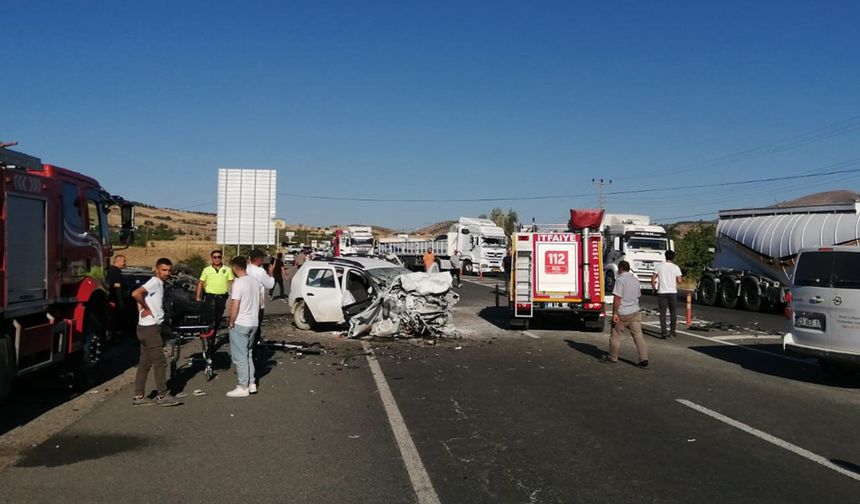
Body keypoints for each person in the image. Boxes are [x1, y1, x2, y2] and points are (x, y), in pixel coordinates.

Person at [131, 258, 181, 406]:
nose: (167, 273)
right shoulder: (154, 282)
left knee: (145, 363)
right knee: (160, 361)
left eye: (169, 270)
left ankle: (139, 396)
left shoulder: (158, 284)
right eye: (164, 270)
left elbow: (138, 297)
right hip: (150, 328)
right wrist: (146, 308)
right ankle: (162, 395)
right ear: (157, 269)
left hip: (147, 326)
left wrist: (141, 310)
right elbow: (136, 294)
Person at [225, 256, 261, 397]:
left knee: (240, 357)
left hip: (241, 322)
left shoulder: (238, 283)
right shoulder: (255, 281)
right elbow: (260, 301)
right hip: (253, 322)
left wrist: (231, 321)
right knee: (249, 353)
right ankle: (252, 383)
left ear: (234, 268)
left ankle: (243, 386)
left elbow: (235, 305)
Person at [603, 260, 649, 368]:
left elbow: (617, 298)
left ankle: (613, 357)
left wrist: (615, 313)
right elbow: (638, 296)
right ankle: (644, 358)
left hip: (623, 313)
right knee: (638, 336)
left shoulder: (620, 280)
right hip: (635, 312)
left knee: (615, 335)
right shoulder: (635, 280)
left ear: (620, 268)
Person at [196, 250, 234, 336]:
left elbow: (232, 283)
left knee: (218, 317)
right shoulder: (206, 270)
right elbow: (200, 283)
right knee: (210, 316)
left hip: (222, 297)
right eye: (215, 257)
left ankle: (213, 333)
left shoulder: (227, 270)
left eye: (219, 257)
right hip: (210, 296)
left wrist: (235, 296)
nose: (217, 259)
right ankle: (208, 334)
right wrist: (198, 297)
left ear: (221, 258)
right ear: (212, 258)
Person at [651, 250, 684, 338]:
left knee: (663, 313)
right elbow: (679, 281)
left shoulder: (659, 266)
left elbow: (653, 278)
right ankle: (672, 331)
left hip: (662, 291)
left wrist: (654, 287)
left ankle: (663, 332)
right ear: (673, 257)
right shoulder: (676, 267)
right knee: (673, 312)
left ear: (665, 256)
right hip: (672, 292)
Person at [247, 249, 275, 346]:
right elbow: (270, 285)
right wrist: (271, 273)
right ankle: (253, 350)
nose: (263, 260)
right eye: (262, 258)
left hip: (245, 303)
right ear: (258, 259)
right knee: (256, 328)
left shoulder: (245, 269)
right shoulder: (260, 271)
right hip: (258, 304)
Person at [106, 255, 127, 334]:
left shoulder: (111, 271)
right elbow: (117, 286)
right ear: (118, 261)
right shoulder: (115, 272)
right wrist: (120, 302)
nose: (125, 263)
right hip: (115, 299)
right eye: (123, 261)